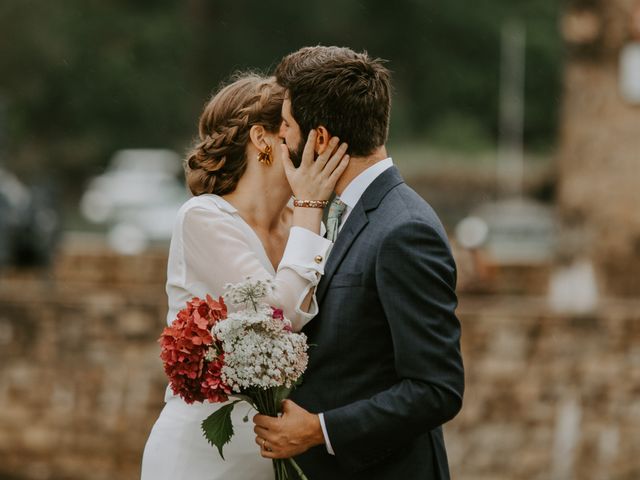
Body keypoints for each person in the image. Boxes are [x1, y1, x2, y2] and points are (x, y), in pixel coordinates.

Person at [252, 46, 465, 479]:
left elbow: (436, 389)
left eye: (288, 126)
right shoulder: (333, 213)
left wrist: (318, 429)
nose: (282, 140)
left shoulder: (404, 230)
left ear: (322, 139)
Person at [140, 73, 349, 479]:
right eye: (291, 127)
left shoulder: (308, 226)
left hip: (279, 453)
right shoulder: (203, 217)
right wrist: (309, 207)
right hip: (200, 454)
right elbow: (278, 314)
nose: (309, 143)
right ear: (262, 138)